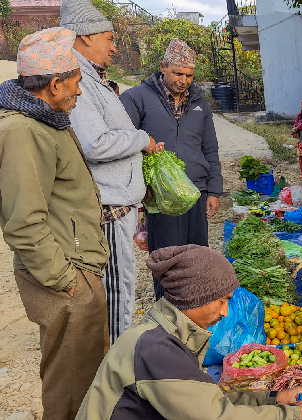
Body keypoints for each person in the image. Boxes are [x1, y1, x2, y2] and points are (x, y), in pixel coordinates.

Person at [0, 27, 109, 420]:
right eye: (76, 83)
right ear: (55, 84)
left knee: (86, 374)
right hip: (64, 278)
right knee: (71, 383)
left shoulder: (45, 120)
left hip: (76, 271)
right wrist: (66, 281)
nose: (79, 92)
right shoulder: (22, 131)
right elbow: (23, 222)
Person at [76, 245, 302, 420]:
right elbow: (215, 416)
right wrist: (291, 414)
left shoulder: (164, 334)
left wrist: (272, 398)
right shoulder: (157, 349)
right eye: (223, 301)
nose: (225, 313)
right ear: (197, 299)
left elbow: (206, 400)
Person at [61, 0, 163, 344]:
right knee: (117, 287)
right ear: (86, 37)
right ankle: (117, 365)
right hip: (109, 203)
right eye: (108, 38)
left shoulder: (90, 75)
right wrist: (141, 140)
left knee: (122, 283)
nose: (114, 46)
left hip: (119, 200)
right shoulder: (77, 77)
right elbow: (96, 143)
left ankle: (117, 356)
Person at [120, 39, 223, 301]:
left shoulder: (200, 103)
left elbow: (210, 148)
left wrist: (214, 189)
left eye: (189, 75)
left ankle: (195, 307)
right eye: (177, 73)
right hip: (160, 194)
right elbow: (124, 142)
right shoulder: (136, 98)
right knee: (167, 255)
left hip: (196, 191)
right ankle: (167, 309)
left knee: (197, 253)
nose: (183, 80)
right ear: (163, 66)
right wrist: (141, 189)